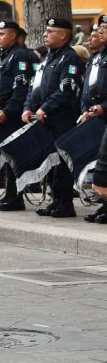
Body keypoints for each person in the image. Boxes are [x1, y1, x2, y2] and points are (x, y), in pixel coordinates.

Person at [24, 17, 84, 218]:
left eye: (50, 31)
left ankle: (65, 203)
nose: (44, 34)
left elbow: (67, 90)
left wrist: (45, 108)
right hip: (44, 119)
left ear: (63, 35)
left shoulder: (70, 58)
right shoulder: (48, 58)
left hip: (61, 118)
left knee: (62, 162)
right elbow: (34, 87)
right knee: (50, 162)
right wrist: (28, 107)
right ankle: (54, 199)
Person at [0, 21, 34, 211]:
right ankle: (10, 195)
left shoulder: (20, 55)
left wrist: (9, 111)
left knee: (13, 156)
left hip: (12, 115)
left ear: (14, 36)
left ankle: (15, 197)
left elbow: (21, 88)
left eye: (2, 34)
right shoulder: (2, 57)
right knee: (6, 156)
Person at [78, 15, 107, 223]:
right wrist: (86, 109)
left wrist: (103, 107)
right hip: (96, 114)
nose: (100, 32)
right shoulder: (98, 56)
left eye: (105, 28)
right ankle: (104, 205)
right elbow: (87, 87)